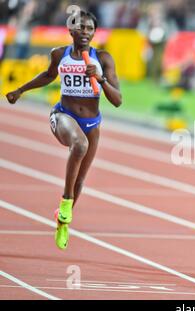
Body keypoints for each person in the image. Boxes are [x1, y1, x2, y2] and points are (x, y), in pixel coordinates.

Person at [6, 10, 122, 250]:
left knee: (80, 179)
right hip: (63, 116)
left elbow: (118, 100)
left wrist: (100, 80)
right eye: (81, 28)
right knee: (79, 145)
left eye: (90, 29)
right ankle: (66, 202)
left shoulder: (103, 58)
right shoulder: (60, 54)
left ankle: (62, 221)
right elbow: (48, 76)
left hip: (92, 122)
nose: (85, 33)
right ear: (71, 31)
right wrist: (20, 90)